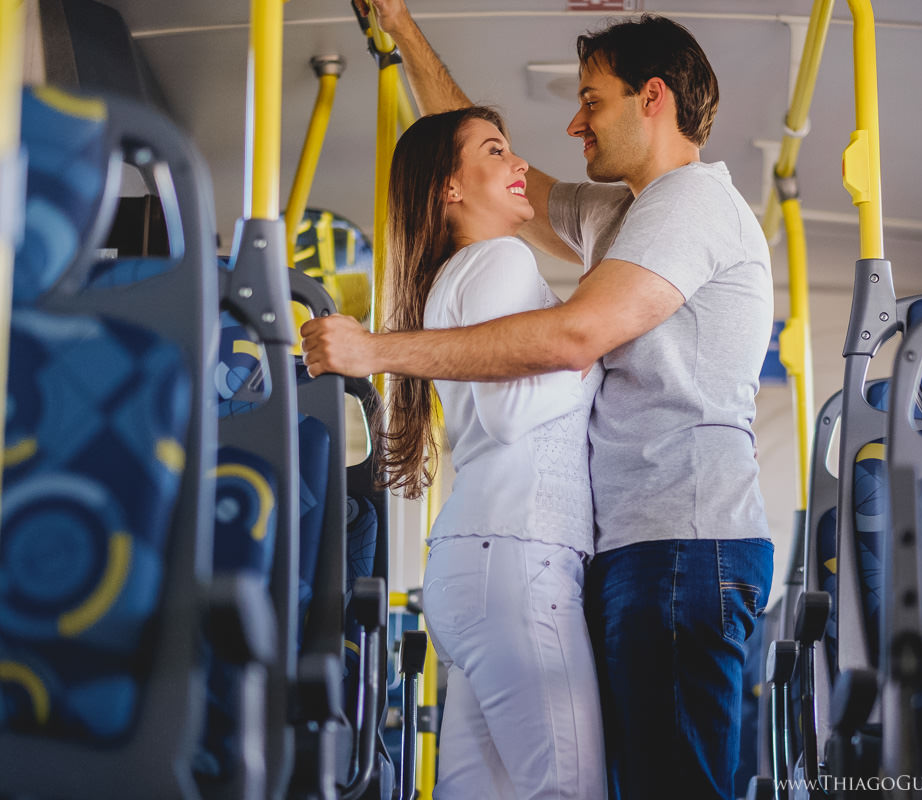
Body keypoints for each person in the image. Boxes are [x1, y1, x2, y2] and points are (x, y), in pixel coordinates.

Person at [303, 4, 774, 797]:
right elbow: (478, 160)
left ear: (652, 97)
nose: (573, 124)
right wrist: (402, 28)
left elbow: (572, 337)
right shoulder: (622, 217)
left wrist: (374, 351)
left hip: (682, 543)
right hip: (633, 546)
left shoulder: (691, 203)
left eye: (591, 101)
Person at [376, 105, 606, 800]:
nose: (520, 164)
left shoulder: (456, 276)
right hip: (517, 560)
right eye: (495, 151)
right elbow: (510, 413)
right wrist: (586, 346)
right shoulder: (502, 259)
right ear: (450, 187)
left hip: (477, 567)